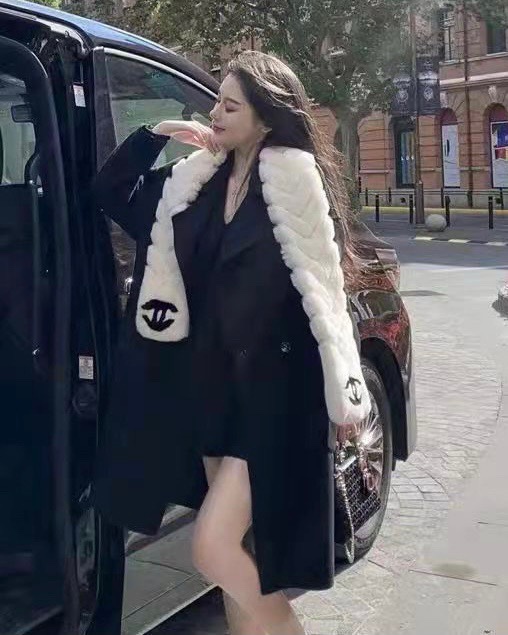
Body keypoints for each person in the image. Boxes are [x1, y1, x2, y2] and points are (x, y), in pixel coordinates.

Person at [91, 50, 371, 635]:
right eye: (216, 101)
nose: (215, 113)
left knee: (213, 549)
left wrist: (343, 391)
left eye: (230, 105)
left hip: (272, 397)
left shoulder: (294, 182)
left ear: (265, 117)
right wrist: (158, 132)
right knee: (239, 560)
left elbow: (325, 290)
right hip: (209, 392)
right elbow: (113, 192)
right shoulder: (196, 179)